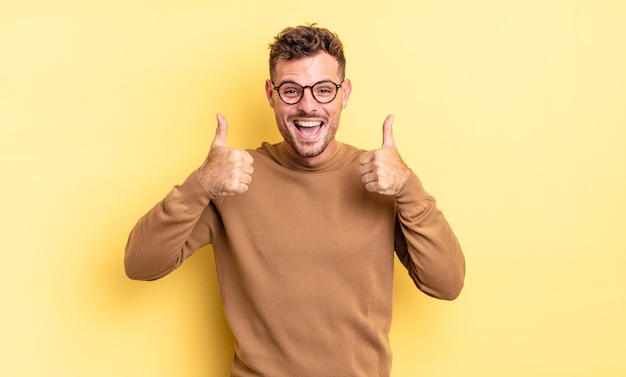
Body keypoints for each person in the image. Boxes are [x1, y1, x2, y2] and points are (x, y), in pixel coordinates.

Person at [125, 24, 465, 377]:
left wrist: (407, 186)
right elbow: (141, 264)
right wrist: (200, 184)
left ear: (344, 94)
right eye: (291, 91)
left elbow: (446, 283)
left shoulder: (381, 179)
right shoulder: (232, 180)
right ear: (271, 95)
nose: (308, 106)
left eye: (323, 90)